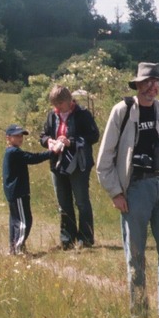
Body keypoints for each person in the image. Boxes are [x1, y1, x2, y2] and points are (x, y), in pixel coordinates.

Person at [95, 62, 159, 318]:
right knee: (135, 256)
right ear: (137, 84)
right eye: (147, 82)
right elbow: (104, 158)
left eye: (156, 82)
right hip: (133, 189)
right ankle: (139, 317)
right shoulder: (122, 111)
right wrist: (115, 192)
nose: (152, 87)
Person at [39, 85, 100, 250]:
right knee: (63, 202)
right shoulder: (52, 115)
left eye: (60, 105)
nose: (57, 108)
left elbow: (94, 136)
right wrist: (49, 142)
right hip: (57, 164)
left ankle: (86, 238)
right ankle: (67, 239)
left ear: (68, 101)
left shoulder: (83, 114)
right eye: (55, 105)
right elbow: (43, 135)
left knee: (81, 201)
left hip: (78, 164)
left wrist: (70, 141)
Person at [3, 124, 57, 255]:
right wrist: (52, 152)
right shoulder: (14, 152)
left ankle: (15, 247)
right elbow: (33, 158)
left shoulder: (12, 151)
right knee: (24, 220)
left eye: (21, 135)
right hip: (18, 192)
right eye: (16, 136)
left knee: (16, 220)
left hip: (15, 191)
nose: (20, 138)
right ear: (8, 138)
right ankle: (17, 248)